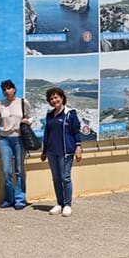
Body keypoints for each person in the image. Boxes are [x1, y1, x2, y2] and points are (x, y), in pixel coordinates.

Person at [40, 87, 82, 217]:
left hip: (66, 152)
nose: (54, 100)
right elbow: (47, 133)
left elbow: (76, 131)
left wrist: (78, 147)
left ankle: (68, 205)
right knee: (56, 178)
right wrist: (44, 150)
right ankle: (59, 203)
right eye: (51, 98)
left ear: (62, 98)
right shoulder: (50, 115)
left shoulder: (70, 113)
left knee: (65, 177)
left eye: (56, 97)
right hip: (52, 151)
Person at [0, 79, 32, 210]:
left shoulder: (22, 102)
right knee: (6, 171)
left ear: (14, 89)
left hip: (19, 138)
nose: (6, 91)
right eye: (4, 89)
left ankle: (20, 199)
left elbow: (31, 117)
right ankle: (9, 199)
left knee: (20, 170)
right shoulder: (1, 104)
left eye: (9, 88)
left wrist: (28, 121)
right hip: (4, 140)